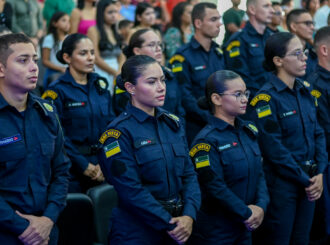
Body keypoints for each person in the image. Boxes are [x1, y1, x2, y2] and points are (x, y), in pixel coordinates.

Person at [98, 55, 201, 244]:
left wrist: (189, 216)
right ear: (130, 88)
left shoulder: (173, 123)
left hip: (179, 225)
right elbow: (130, 190)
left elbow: (189, 175)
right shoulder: (117, 133)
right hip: (139, 229)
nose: (161, 87)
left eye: (162, 80)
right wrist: (169, 223)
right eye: (152, 82)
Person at [250, 32, 328, 245]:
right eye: (296, 54)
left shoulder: (306, 90)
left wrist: (320, 172)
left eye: (303, 52)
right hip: (284, 185)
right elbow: (273, 148)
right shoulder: (265, 99)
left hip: (311, 181)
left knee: (302, 239)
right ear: (278, 61)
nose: (304, 58)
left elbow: (318, 133)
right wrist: (306, 178)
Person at [0, 33, 70, 245]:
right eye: (23, 60)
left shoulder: (47, 112)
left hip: (46, 231)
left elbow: (61, 172)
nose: (34, 67)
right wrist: (24, 228)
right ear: (1, 68)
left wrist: (48, 219)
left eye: (35, 60)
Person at [188, 70, 269, 245]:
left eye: (245, 93)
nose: (245, 99)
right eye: (238, 94)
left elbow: (259, 172)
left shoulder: (248, 131)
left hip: (245, 225)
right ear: (216, 99)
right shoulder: (205, 141)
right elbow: (215, 187)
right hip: (218, 230)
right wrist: (248, 213)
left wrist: (261, 206)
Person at [42, 33, 115, 193]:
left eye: (92, 52)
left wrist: (108, 161)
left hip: (104, 167)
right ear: (67, 58)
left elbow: (112, 130)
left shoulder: (100, 86)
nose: (90, 58)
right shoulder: (56, 91)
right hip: (72, 169)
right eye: (83, 53)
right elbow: (56, 134)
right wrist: (83, 165)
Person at [170, 2, 225, 144]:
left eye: (219, 19)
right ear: (198, 23)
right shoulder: (182, 56)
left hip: (222, 123)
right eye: (213, 20)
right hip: (197, 127)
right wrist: (211, 117)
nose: (219, 24)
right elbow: (184, 95)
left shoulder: (219, 52)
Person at [113, 28, 185, 123]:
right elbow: (123, 114)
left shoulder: (168, 75)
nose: (158, 49)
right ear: (137, 51)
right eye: (151, 45)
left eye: (159, 44)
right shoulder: (126, 80)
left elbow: (179, 111)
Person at [224, 0, 274, 98]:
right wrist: (265, 97)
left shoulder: (272, 37)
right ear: (252, 9)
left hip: (276, 99)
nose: (272, 10)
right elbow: (240, 78)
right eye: (266, 6)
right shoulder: (238, 40)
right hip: (253, 101)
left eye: (271, 6)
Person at [87, 0, 124, 95]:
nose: (114, 15)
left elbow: (121, 55)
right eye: (110, 12)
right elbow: (95, 58)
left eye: (115, 12)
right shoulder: (93, 30)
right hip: (101, 70)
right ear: (101, 13)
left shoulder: (116, 31)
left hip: (117, 70)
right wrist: (114, 72)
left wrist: (119, 71)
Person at [286, 9, 318, 79]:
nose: (312, 27)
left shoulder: (312, 50)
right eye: (307, 23)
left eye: (312, 23)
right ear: (294, 26)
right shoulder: (286, 53)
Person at [42, 12, 70, 88]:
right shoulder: (49, 38)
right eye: (64, 20)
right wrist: (61, 68)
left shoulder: (69, 38)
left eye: (68, 21)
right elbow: (45, 61)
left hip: (67, 73)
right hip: (53, 74)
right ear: (55, 23)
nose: (67, 23)